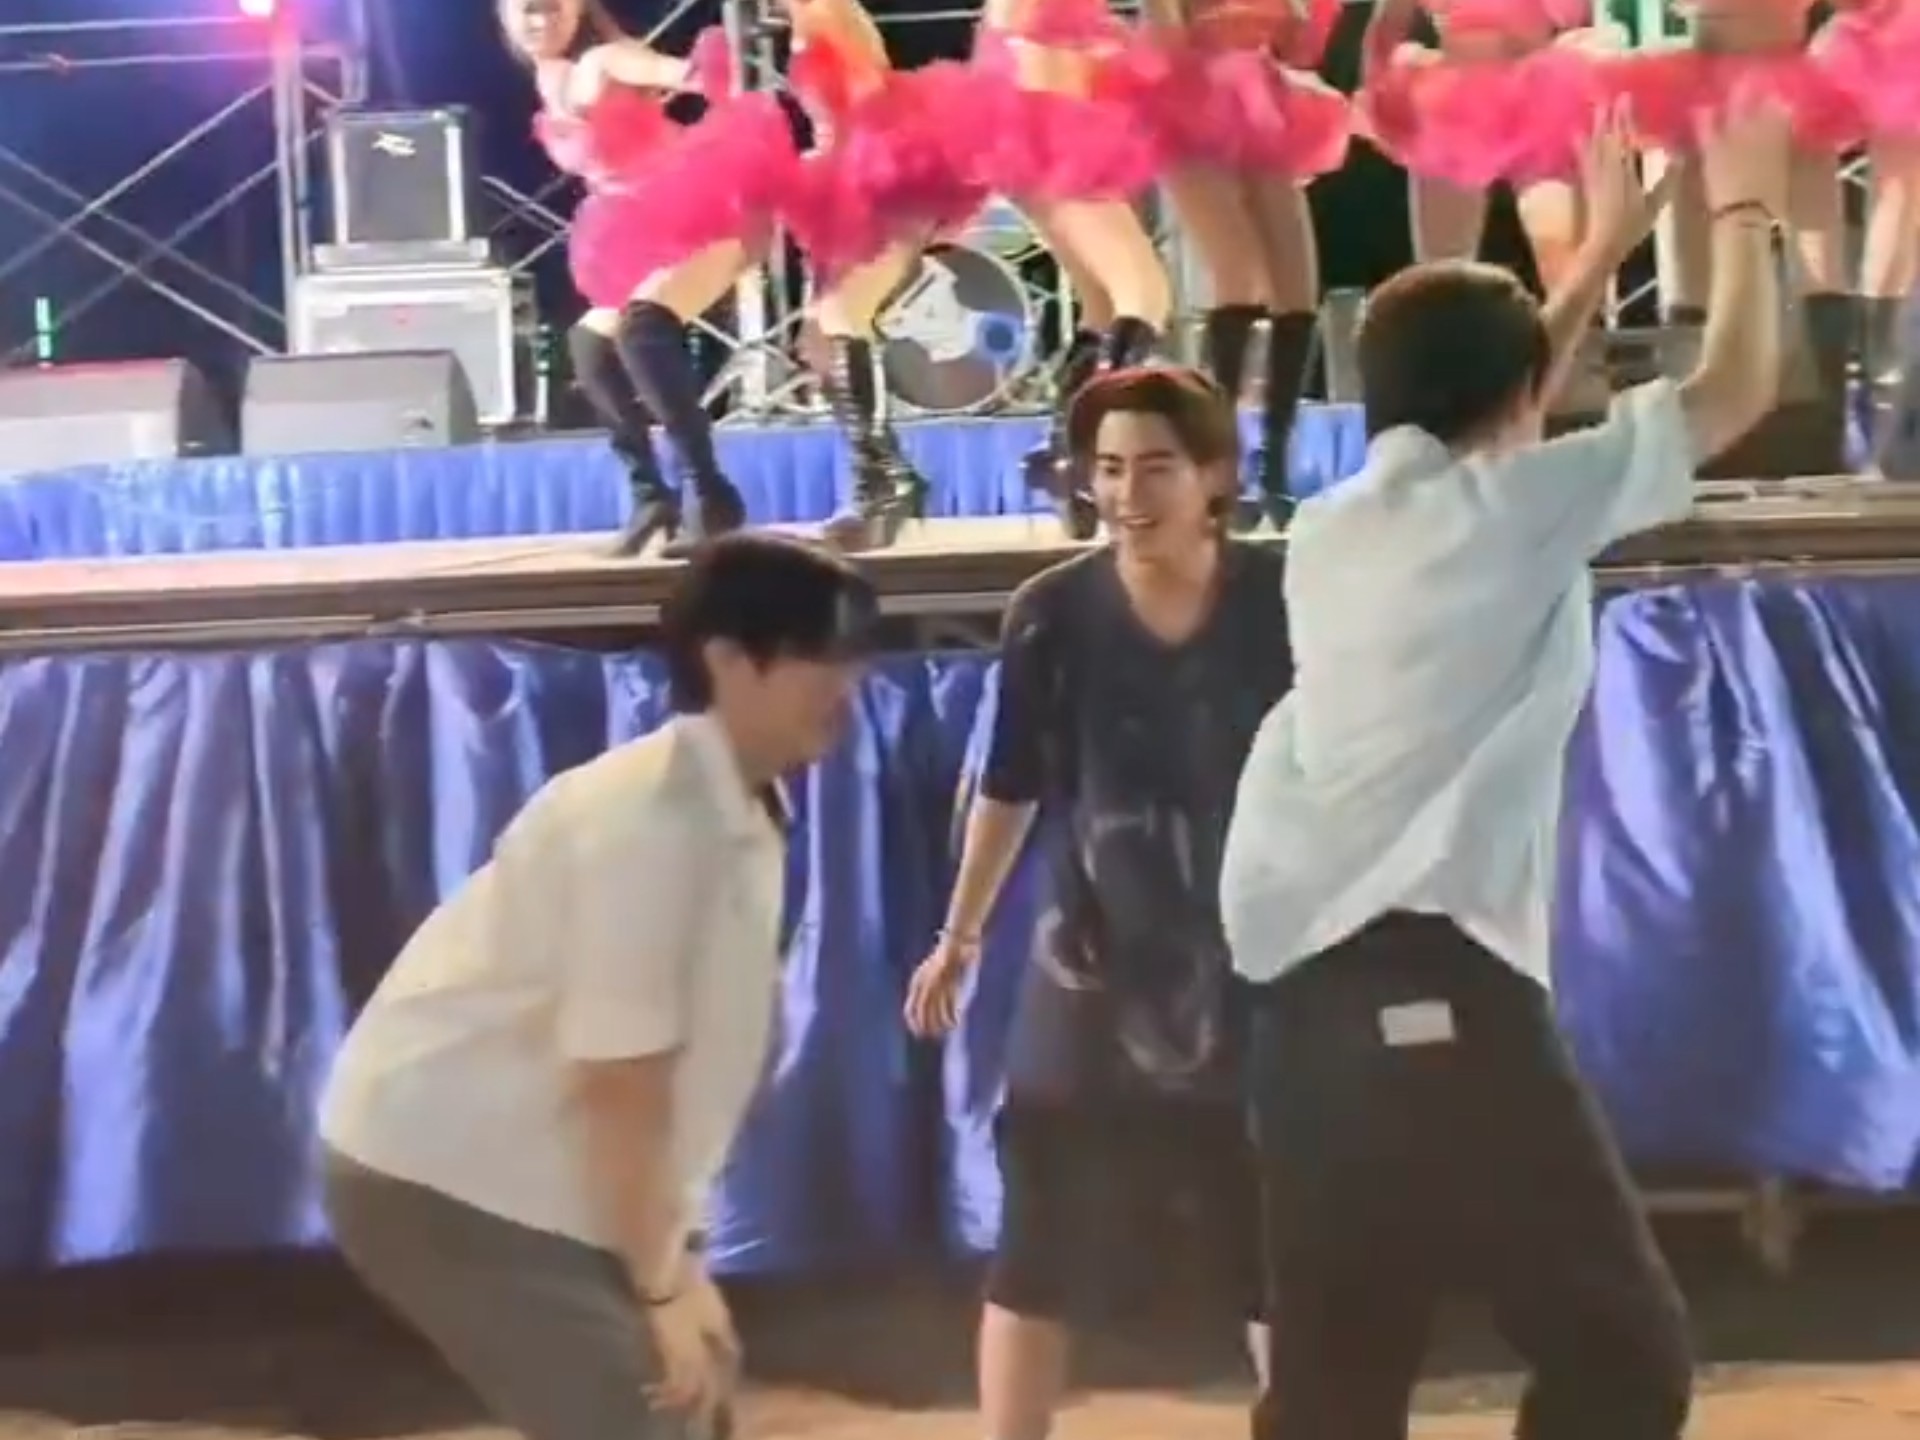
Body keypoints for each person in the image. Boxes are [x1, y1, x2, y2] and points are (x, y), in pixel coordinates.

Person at [1218, 105, 1786, 1440]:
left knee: (1338, 1384)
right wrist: (1749, 211)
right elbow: (1741, 390)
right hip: (1438, 989)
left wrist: (1595, 260)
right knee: (1621, 1358)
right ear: (1512, 390)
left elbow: (1503, 425)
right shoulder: (1512, 510)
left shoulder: (1337, 523)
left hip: (1303, 1008)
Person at [320, 533, 879, 1440]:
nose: (848, 684)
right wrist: (663, 1285)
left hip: (541, 1166)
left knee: (689, 1407)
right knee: (646, 1419)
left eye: (854, 657)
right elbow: (621, 1086)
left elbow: (665, 1096)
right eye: (822, 655)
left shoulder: (741, 804)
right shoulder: (647, 823)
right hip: (443, 1173)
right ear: (729, 662)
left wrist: (679, 1257)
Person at [904, 366, 1293, 1440]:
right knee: (1041, 1244)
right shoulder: (1053, 613)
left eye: (1155, 468)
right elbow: (1012, 782)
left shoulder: (1287, 599)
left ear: (1215, 475)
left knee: (1277, 1240)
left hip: (1258, 963)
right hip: (1089, 962)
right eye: (1108, 469)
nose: (1125, 493)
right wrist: (960, 935)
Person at [510, 0, 796, 555]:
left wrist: (705, 91)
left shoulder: (606, 60)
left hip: (705, 213)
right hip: (636, 232)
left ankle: (710, 494)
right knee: (590, 345)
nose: (539, 23)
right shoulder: (552, 79)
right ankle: (651, 496)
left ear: (576, 11)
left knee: (642, 330)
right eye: (526, 11)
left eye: (550, 9)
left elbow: (698, 75)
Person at [778, 0, 986, 550]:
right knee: (819, 342)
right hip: (845, 185)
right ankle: (884, 478)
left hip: (881, 183)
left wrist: (854, 169)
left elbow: (875, 102)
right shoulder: (807, 15)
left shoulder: (829, 12)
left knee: (843, 317)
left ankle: (888, 481)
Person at [1135, 0, 1350, 531]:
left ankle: (1274, 460)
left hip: (1262, 101)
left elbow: (1301, 46)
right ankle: (1216, 462)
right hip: (1190, 102)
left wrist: (1295, 22)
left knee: (1298, 291)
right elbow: (1165, 43)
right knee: (1239, 276)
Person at [966, 0, 1175, 538]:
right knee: (1144, 295)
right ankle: (1080, 456)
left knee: (1103, 306)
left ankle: (1065, 448)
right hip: (1055, 134)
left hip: (1034, 126)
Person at [1359, 0, 1608, 293]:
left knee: (1566, 264)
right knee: (1444, 275)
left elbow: (1583, 17)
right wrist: (1379, 91)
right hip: (1456, 104)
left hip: (1535, 96)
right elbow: (1388, 25)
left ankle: (1575, 311)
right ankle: (1449, 316)